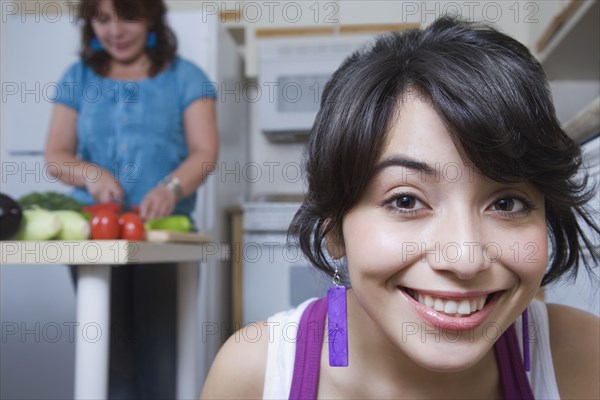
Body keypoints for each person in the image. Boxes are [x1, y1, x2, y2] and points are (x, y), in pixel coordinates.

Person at [201, 17, 599, 399]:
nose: (464, 259)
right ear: (334, 230)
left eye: (506, 203)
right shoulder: (253, 375)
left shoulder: (583, 355)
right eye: (406, 201)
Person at [44, 0, 217, 398]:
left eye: (128, 16)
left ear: (152, 17)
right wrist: (92, 174)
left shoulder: (186, 77)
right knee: (108, 361)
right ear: (90, 24)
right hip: (96, 238)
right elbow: (56, 154)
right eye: (102, 19)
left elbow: (204, 153)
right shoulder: (77, 77)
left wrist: (170, 189)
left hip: (162, 238)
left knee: (160, 363)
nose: (115, 31)